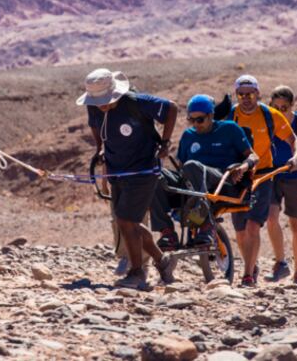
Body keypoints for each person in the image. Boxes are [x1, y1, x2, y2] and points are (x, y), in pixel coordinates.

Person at [78, 68, 179, 290]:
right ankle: (163, 262)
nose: (102, 105)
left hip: (143, 170)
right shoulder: (94, 106)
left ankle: (136, 273)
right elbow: (96, 127)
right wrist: (100, 149)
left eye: (106, 100)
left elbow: (171, 108)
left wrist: (165, 142)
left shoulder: (136, 102)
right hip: (117, 170)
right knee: (128, 222)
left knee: (125, 220)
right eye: (98, 102)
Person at [151, 94, 259, 247]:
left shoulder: (229, 129)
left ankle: (205, 224)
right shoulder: (188, 136)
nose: (196, 124)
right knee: (155, 174)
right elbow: (182, 169)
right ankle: (167, 232)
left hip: (222, 180)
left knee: (192, 166)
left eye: (200, 119)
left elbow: (254, 156)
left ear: (211, 115)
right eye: (192, 120)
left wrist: (243, 167)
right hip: (194, 181)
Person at [229, 75, 297, 287]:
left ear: (258, 94)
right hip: (238, 176)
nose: (245, 98)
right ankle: (250, 265)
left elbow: (293, 140)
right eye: (241, 94)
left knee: (253, 225)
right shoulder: (231, 115)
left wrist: (296, 157)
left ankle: (248, 275)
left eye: (249, 94)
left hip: (263, 175)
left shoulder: (270, 115)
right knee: (240, 231)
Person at [265, 85, 297, 284]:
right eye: (275, 107)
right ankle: (280, 263)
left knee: (296, 225)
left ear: (292, 106)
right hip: (272, 175)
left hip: (296, 178)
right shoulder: (267, 122)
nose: (280, 112)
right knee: (271, 218)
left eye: (284, 107)